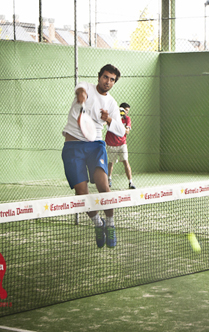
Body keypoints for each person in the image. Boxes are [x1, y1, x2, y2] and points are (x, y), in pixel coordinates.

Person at [61, 64, 126, 248]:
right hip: (73, 146)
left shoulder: (112, 103)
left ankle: (111, 225)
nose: (108, 81)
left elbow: (120, 131)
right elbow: (80, 90)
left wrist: (109, 119)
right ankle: (98, 224)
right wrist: (81, 96)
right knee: (81, 193)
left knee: (103, 187)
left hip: (95, 146)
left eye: (112, 79)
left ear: (114, 82)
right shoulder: (86, 88)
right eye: (106, 77)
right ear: (99, 77)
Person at [105, 102, 136, 189]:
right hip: (111, 144)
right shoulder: (113, 118)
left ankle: (130, 182)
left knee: (126, 161)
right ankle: (109, 179)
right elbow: (105, 123)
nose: (126, 112)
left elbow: (127, 131)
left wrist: (118, 127)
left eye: (127, 111)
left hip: (122, 144)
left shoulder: (127, 119)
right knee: (111, 162)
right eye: (125, 110)